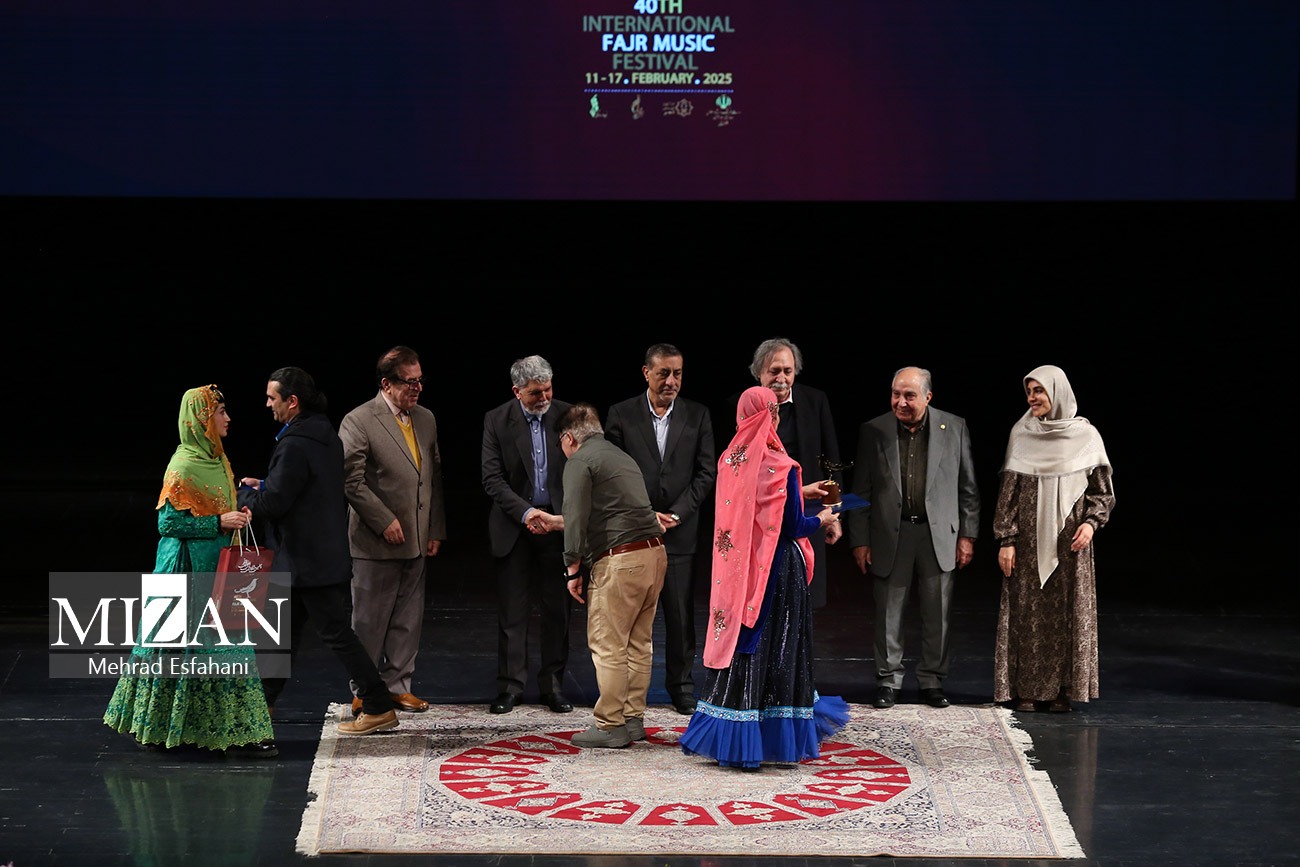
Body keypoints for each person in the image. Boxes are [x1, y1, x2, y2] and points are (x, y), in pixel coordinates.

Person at [679, 386, 849, 770]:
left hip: (739, 573)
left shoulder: (731, 459)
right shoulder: (779, 465)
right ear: (771, 415)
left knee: (747, 642)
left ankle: (733, 729)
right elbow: (793, 526)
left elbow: (753, 507)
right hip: (778, 570)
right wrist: (822, 518)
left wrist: (799, 492)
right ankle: (775, 732)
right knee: (780, 646)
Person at [104, 384, 278, 757]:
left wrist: (236, 515)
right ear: (201, 420)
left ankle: (238, 730)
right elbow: (167, 523)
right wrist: (218, 522)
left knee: (226, 645)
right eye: (220, 412)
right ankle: (158, 726)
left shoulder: (218, 459)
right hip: (185, 570)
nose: (227, 418)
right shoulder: (182, 467)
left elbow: (219, 505)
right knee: (177, 649)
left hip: (216, 566)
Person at [237, 367, 398, 736]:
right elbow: (303, 487)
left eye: (272, 398)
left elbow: (275, 504)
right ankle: (263, 706)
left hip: (306, 563)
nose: (268, 404)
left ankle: (378, 705)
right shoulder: (323, 434)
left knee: (336, 635)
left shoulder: (294, 443)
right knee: (281, 638)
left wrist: (243, 494)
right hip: (316, 558)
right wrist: (266, 483)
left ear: (292, 401)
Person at [846, 366, 980, 710]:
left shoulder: (955, 427)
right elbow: (860, 490)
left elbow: (967, 488)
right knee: (888, 613)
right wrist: (860, 539)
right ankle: (888, 680)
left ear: (928, 397)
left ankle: (932, 680)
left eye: (909, 395)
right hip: (891, 534)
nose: (900, 402)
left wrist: (968, 535)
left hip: (938, 534)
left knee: (938, 613)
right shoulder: (874, 430)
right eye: (895, 394)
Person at [993, 365, 1115, 713]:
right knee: (1028, 615)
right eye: (1029, 392)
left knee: (1065, 615)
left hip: (1071, 544)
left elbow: (1102, 493)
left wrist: (1091, 524)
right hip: (1028, 545)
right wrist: (1006, 539)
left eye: (1039, 391)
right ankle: (1028, 690)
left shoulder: (1086, 436)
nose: (1032, 398)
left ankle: (1062, 690)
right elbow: (1009, 494)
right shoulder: (1022, 433)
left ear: (1057, 392)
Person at [605, 342, 716, 715]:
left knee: (680, 617)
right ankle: (627, 691)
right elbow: (613, 472)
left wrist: (677, 514)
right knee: (631, 618)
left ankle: (682, 687)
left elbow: (706, 472)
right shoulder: (621, 414)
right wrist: (646, 514)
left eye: (677, 373)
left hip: (680, 533)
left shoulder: (698, 415)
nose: (671, 381)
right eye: (664, 373)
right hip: (634, 533)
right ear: (646, 373)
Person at [339, 345, 446, 716]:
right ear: (386, 384)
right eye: (408, 382)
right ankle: (365, 689)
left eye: (420, 380)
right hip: (375, 540)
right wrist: (383, 520)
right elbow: (351, 481)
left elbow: (433, 478)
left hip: (416, 536)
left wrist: (434, 528)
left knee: (407, 619)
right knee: (369, 621)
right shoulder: (359, 420)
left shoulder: (426, 418)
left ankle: (399, 685)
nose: (417, 388)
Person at [559, 403, 668, 749]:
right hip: (654, 555)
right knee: (639, 643)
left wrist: (573, 568)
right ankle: (633, 720)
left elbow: (575, 517)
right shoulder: (622, 457)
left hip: (621, 562)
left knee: (609, 644)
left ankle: (610, 725)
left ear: (568, 438)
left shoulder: (580, 461)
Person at [480, 354, 574, 715]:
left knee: (557, 611)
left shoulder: (567, 415)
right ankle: (510, 686)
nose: (544, 397)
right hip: (515, 527)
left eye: (548, 389)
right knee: (512, 612)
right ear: (517, 391)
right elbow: (492, 478)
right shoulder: (496, 420)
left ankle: (553, 686)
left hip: (557, 526)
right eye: (536, 392)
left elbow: (582, 469)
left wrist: (558, 517)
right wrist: (527, 513)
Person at [744, 337, 843, 609]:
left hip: (808, 514)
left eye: (787, 371)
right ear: (759, 372)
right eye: (774, 371)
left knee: (804, 601)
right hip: (760, 521)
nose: (781, 378)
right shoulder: (741, 406)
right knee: (763, 601)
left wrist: (834, 514)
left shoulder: (815, 401)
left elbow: (831, 462)